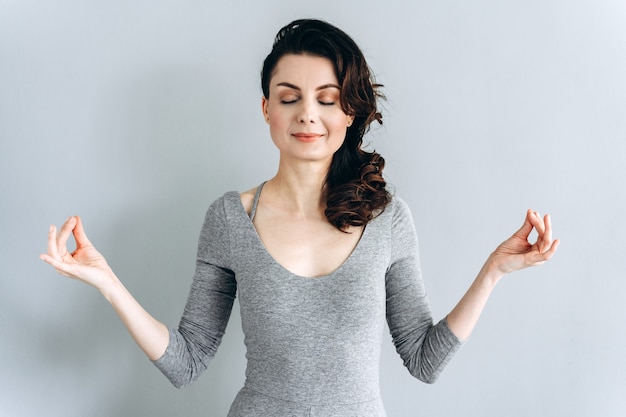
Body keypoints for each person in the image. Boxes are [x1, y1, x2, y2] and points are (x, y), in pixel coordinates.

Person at [40, 19, 559, 417]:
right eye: (290, 98)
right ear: (267, 109)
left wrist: (492, 272)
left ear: (348, 113)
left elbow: (424, 359)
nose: (307, 114)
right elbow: (186, 361)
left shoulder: (388, 220)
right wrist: (106, 282)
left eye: (326, 99)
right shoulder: (229, 219)